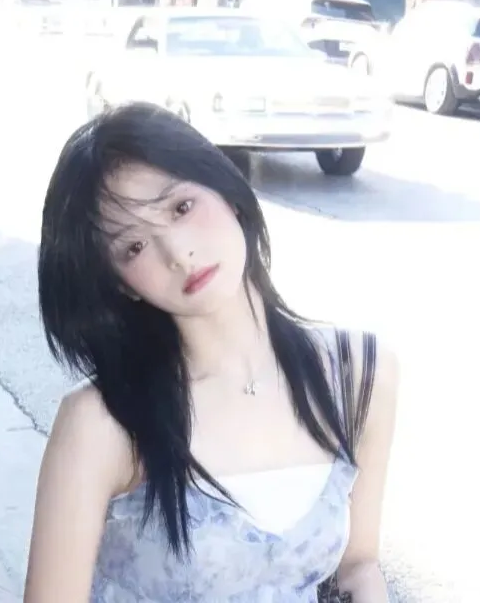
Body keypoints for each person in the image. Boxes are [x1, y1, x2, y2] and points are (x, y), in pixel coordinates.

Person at [27, 102, 400, 602]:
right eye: (134, 247)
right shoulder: (103, 423)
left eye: (180, 207)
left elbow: (358, 564)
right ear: (121, 285)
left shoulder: (359, 374)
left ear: (226, 189)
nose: (179, 254)